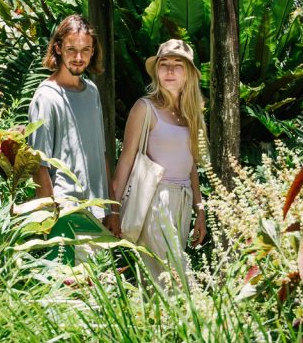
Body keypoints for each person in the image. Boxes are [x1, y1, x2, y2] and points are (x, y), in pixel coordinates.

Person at [112, 38, 208, 285]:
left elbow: (192, 166)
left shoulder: (191, 113)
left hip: (183, 199)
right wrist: (112, 209)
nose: (170, 70)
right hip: (156, 199)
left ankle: (158, 323)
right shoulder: (145, 108)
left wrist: (200, 209)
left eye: (178, 64)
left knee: (159, 280)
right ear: (157, 71)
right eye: (164, 64)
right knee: (180, 274)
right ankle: (201, 316)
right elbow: (126, 160)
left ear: (189, 74)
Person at [28, 15, 119, 262]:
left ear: (93, 51)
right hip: (65, 212)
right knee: (70, 293)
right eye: (71, 49)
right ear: (58, 48)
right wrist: (50, 219)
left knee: (98, 293)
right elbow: (39, 165)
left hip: (96, 211)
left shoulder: (91, 91)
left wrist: (112, 209)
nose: (78, 57)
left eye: (85, 50)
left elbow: (100, 154)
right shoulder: (46, 97)